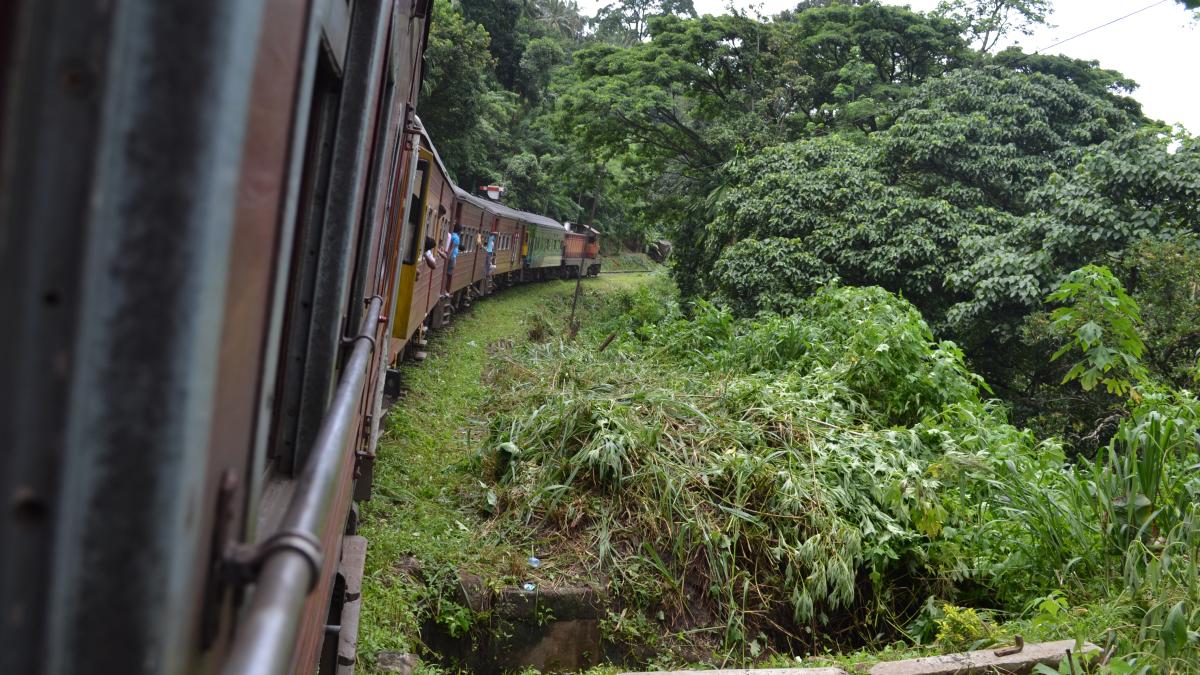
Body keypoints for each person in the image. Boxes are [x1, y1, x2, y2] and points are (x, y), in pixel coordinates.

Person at [442, 223, 462, 299]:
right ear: (459, 231)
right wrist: (448, 257)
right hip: (452, 257)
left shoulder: (451, 235)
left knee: (447, 274)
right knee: (449, 275)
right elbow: (452, 248)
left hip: (449, 256)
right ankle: (446, 291)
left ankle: (445, 290)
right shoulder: (456, 238)